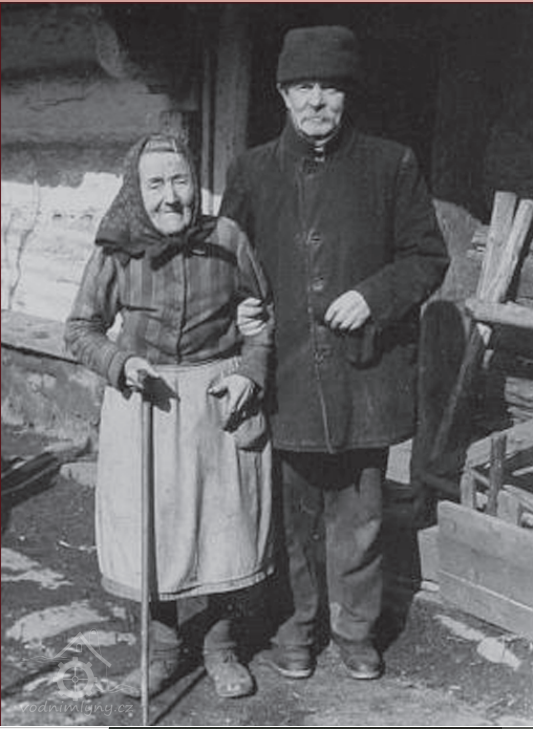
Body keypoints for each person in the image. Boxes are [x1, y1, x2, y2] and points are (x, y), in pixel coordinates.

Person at [220, 25, 450, 681]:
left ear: (348, 94)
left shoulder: (391, 164)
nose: (316, 100)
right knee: (289, 518)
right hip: (287, 368)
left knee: (360, 516)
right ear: (282, 93)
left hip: (362, 370)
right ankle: (294, 628)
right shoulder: (251, 170)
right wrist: (240, 308)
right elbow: (226, 261)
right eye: (303, 86)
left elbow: (427, 257)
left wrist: (374, 296)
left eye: (330, 87)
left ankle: (354, 631)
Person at [64, 134, 274, 699]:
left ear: (195, 182)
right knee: (152, 533)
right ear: (136, 190)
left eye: (180, 180)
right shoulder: (116, 251)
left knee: (224, 530)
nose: (171, 196)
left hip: (217, 403)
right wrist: (120, 362)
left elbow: (262, 320)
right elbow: (80, 329)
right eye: (155, 184)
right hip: (145, 401)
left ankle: (221, 647)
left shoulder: (227, 239)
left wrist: (249, 373)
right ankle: (160, 653)